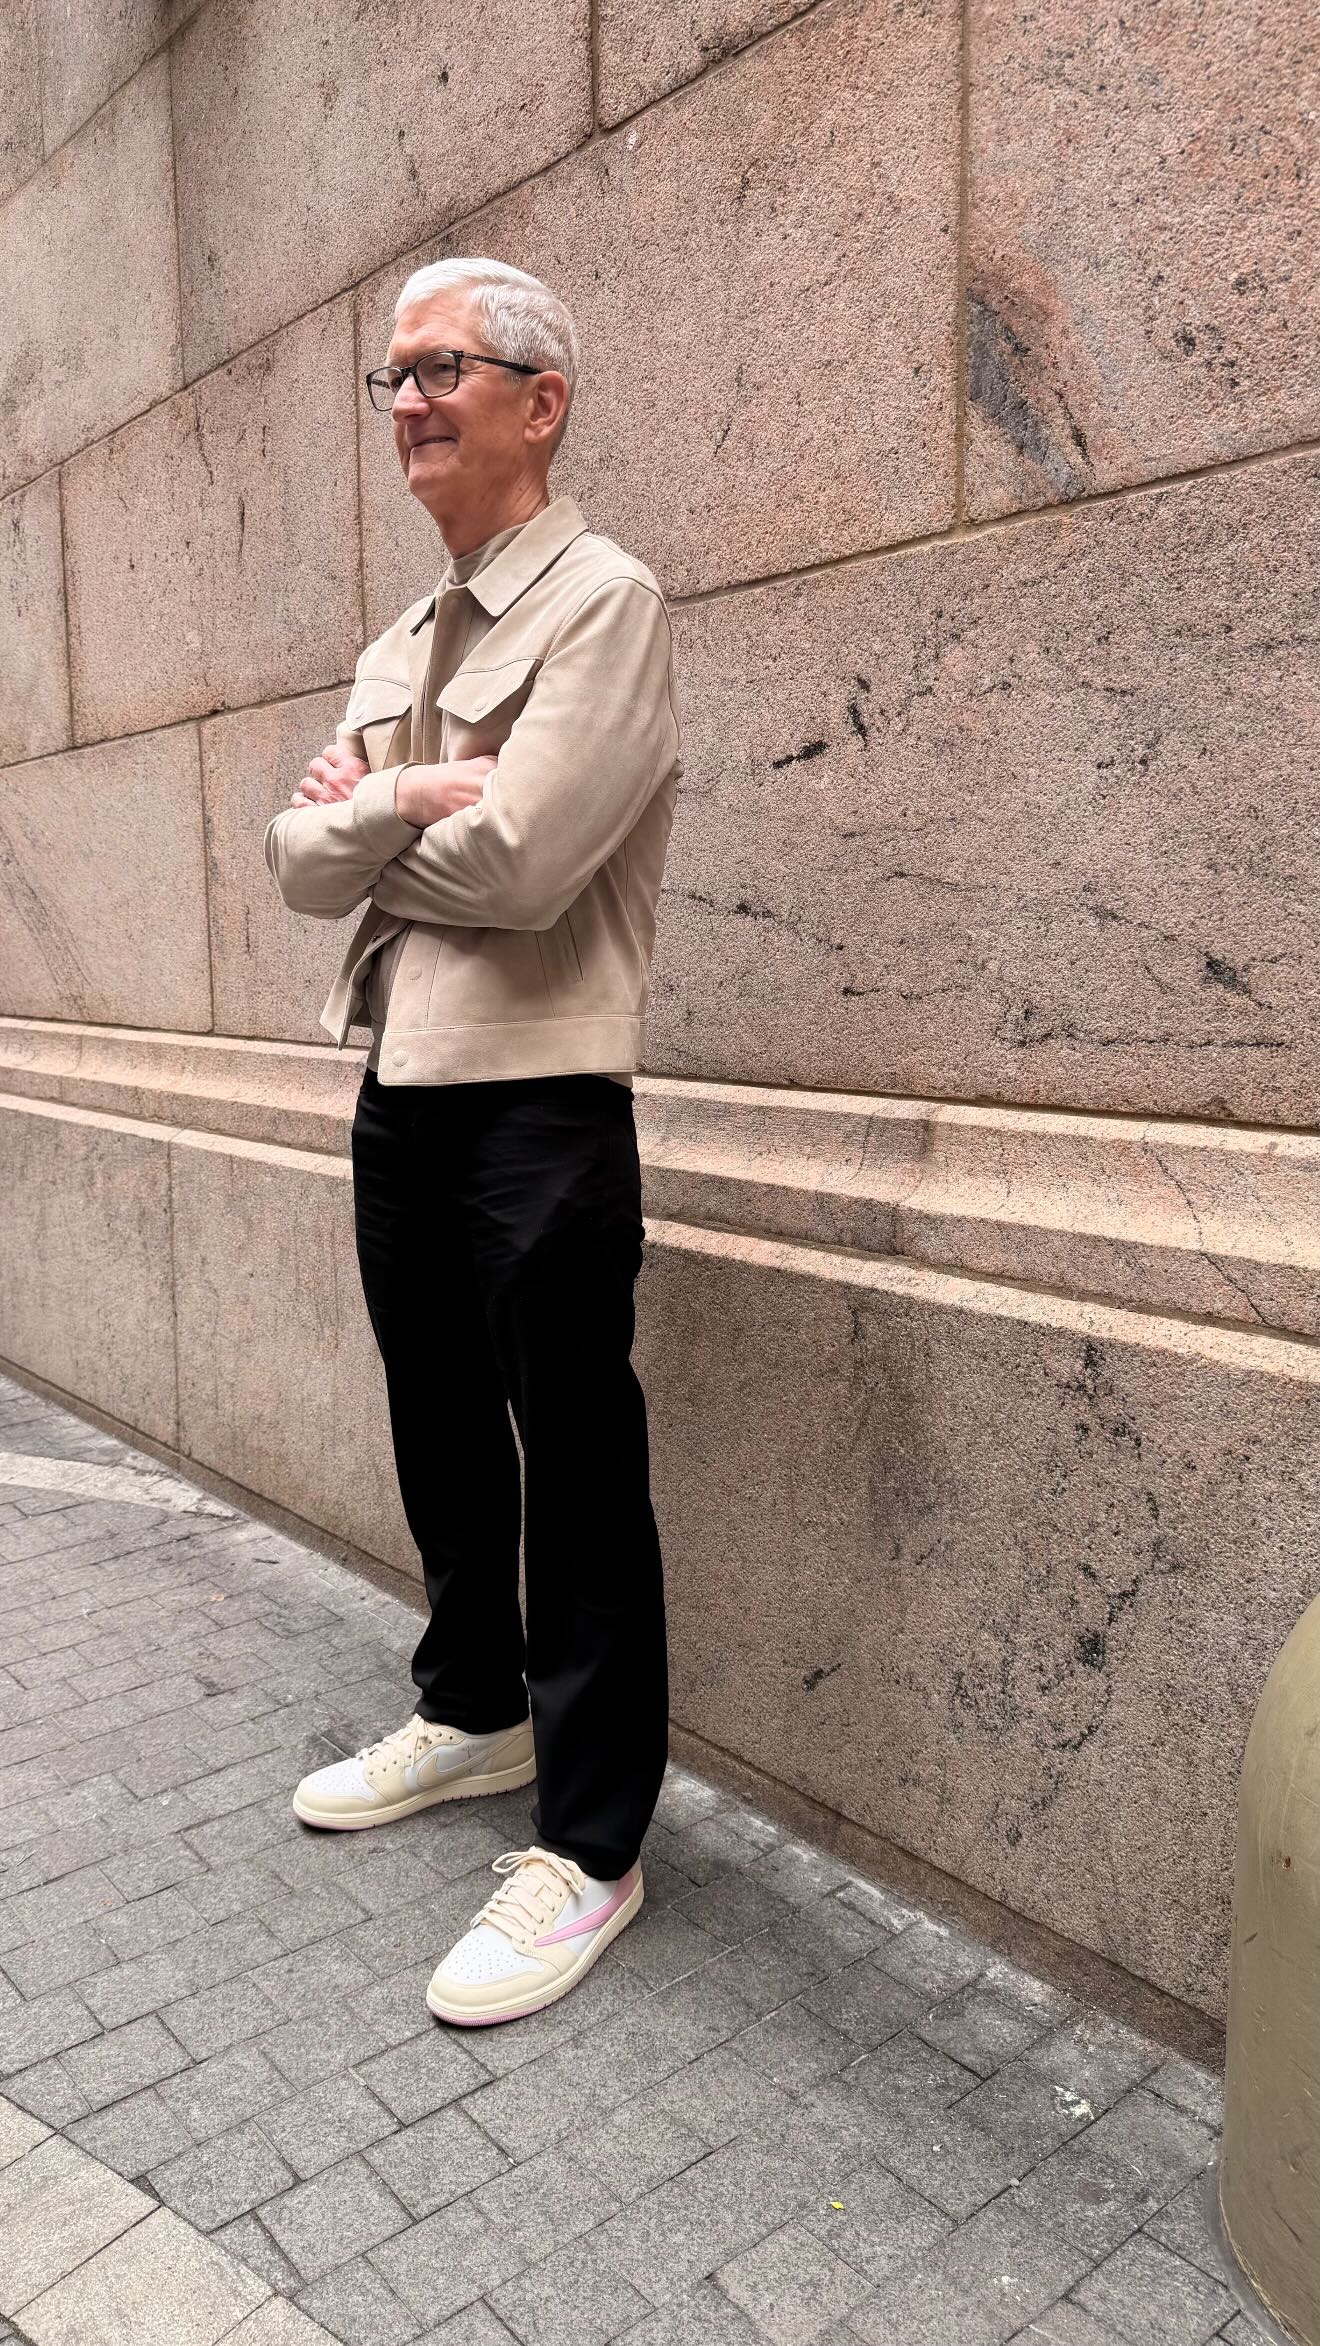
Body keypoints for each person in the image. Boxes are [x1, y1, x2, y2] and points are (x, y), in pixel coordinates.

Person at [263, 257, 681, 2027]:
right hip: (403, 1088)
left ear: (541, 400)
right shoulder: (400, 639)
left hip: (541, 1098)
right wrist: (407, 796)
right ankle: (474, 1710)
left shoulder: (604, 603)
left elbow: (522, 866)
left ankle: (590, 1844)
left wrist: (368, 819)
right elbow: (289, 866)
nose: (411, 401)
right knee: (438, 1422)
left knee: (574, 1463)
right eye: (395, 377)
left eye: (443, 368)